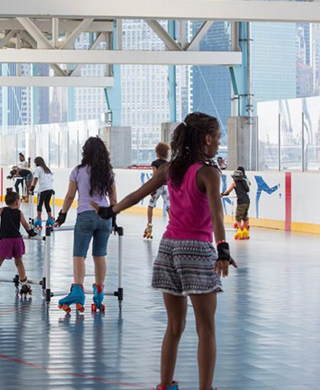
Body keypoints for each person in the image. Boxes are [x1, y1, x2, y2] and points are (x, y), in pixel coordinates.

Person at [92, 112, 238, 390]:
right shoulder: (209, 172)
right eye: (218, 138)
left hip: (168, 249)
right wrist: (222, 249)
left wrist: (111, 210)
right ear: (207, 139)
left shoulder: (169, 170)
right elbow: (218, 215)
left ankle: (165, 385)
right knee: (205, 327)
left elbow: (136, 195)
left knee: (174, 326)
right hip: (196, 251)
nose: (219, 144)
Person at [54, 137, 117, 314]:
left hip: (86, 215)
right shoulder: (108, 173)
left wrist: (62, 215)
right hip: (105, 216)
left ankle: (78, 291)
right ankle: (98, 294)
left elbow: (69, 196)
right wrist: (114, 220)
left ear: (85, 152)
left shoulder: (78, 171)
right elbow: (113, 199)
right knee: (100, 255)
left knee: (79, 255)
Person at [145, 142, 171, 240]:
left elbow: (155, 177)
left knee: (150, 206)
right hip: (166, 187)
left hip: (157, 187)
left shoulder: (155, 163)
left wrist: (152, 190)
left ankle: (149, 226)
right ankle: (173, 225)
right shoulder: (168, 164)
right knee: (169, 207)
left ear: (157, 153)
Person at [222, 166, 251, 240]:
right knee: (245, 217)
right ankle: (245, 232)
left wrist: (222, 194)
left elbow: (227, 192)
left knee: (238, 217)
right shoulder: (244, 182)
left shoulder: (234, 183)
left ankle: (240, 231)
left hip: (241, 202)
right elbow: (248, 188)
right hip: (247, 201)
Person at [29, 156, 55, 230]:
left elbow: (36, 178)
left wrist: (32, 187)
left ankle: (39, 220)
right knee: (47, 203)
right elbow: (51, 179)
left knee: (39, 204)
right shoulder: (47, 169)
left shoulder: (38, 169)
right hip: (50, 189)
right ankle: (50, 219)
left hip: (43, 189)